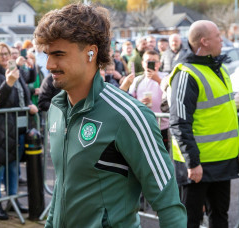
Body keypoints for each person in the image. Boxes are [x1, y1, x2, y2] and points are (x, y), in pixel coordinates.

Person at [34, 3, 186, 227]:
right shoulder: (57, 109)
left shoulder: (129, 115)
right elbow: (62, 187)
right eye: (47, 54)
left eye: (58, 54)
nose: (49, 64)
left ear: (91, 52)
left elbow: (168, 204)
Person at [169, 20, 239, 228]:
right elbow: (179, 122)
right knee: (190, 221)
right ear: (204, 41)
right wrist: (192, 163)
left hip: (221, 162)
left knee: (219, 216)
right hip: (197, 166)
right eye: (218, 36)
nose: (221, 40)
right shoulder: (186, 74)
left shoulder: (219, 69)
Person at [0, 42, 38, 220]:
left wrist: (28, 104)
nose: (5, 57)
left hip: (18, 127)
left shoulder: (14, 71)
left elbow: (23, 94)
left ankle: (13, 200)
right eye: (0, 54)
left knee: (13, 166)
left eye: (7, 53)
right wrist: (8, 83)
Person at [128, 50, 169, 151]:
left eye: (154, 61)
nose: (151, 64)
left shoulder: (166, 77)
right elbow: (130, 100)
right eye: (148, 61)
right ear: (142, 63)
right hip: (143, 125)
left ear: (159, 63)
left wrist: (158, 80)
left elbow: (172, 95)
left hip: (162, 126)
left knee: (163, 154)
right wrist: (139, 103)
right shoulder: (137, 80)